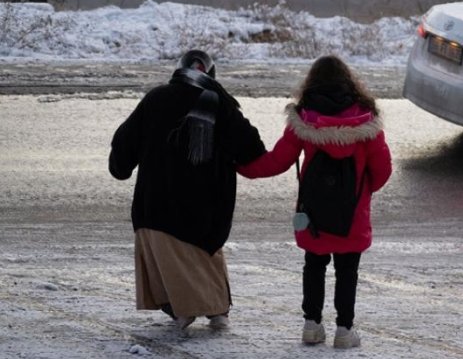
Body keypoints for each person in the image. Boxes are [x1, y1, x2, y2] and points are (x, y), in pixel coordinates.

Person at [238, 55, 392, 349]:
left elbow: (277, 161)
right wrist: (364, 192)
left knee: (314, 265)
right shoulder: (366, 123)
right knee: (348, 271)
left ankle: (312, 325)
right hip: (352, 214)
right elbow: (383, 171)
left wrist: (240, 166)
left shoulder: (304, 120)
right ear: (350, 83)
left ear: (312, 82)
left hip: (314, 212)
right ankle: (344, 330)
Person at [109, 50, 266, 331]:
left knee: (169, 261)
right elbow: (251, 149)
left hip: (155, 209)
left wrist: (121, 167)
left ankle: (181, 309)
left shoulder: (156, 98)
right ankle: (216, 312)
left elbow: (123, 147)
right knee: (204, 257)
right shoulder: (219, 104)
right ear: (212, 75)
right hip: (204, 214)